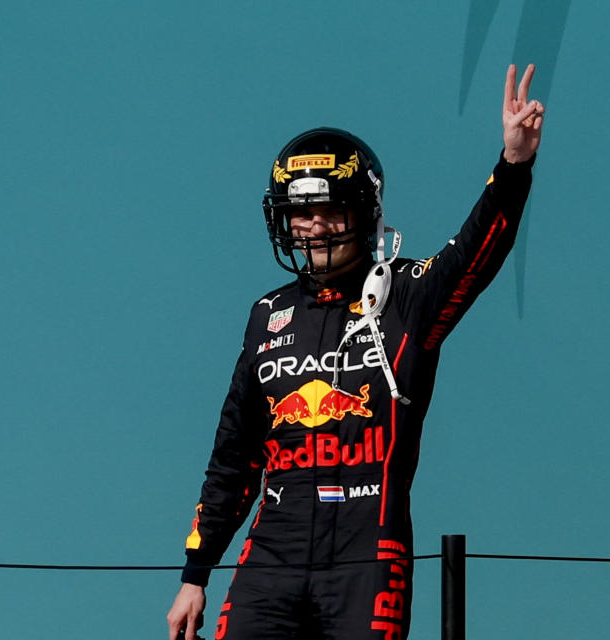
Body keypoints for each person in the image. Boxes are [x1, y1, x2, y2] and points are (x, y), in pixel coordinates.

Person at [167, 64, 545, 640]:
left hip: (368, 556)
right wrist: (195, 574)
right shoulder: (267, 316)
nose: (313, 228)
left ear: (363, 214)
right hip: (271, 557)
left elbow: (476, 254)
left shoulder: (407, 294)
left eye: (327, 211)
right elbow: (233, 458)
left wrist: (513, 165)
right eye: (299, 214)